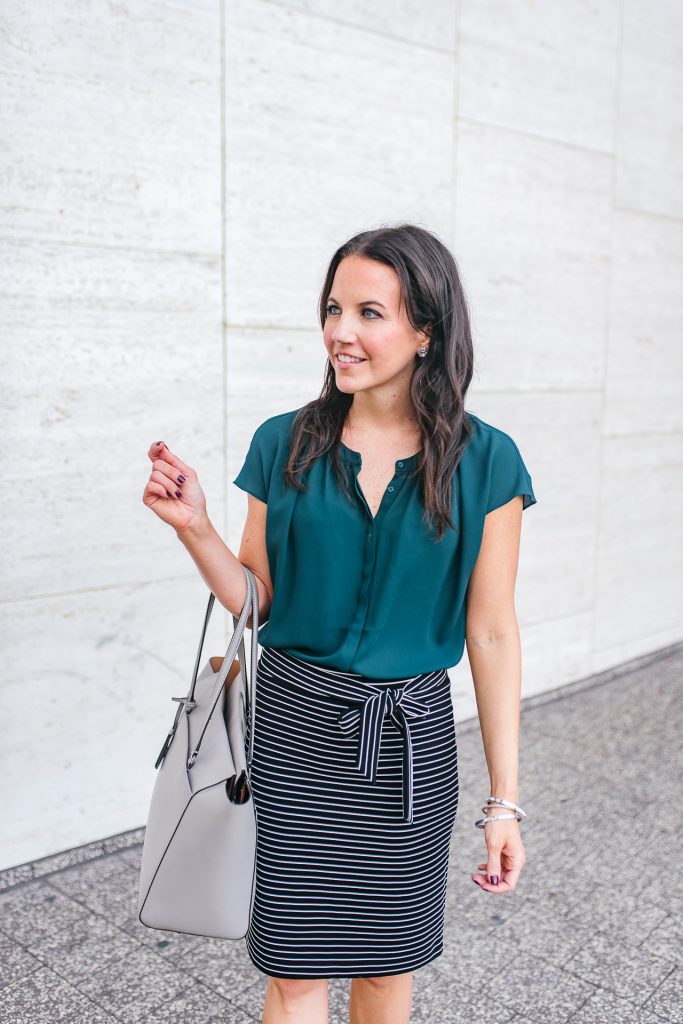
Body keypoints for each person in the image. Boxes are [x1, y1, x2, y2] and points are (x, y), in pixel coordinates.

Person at [142, 223, 537, 1024]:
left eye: (368, 312)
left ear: (426, 330)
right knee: (293, 970)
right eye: (332, 308)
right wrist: (194, 528)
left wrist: (504, 803)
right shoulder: (283, 442)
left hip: (407, 749)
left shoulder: (487, 461)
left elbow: (491, 633)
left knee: (387, 970)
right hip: (292, 736)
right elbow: (258, 601)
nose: (340, 333)